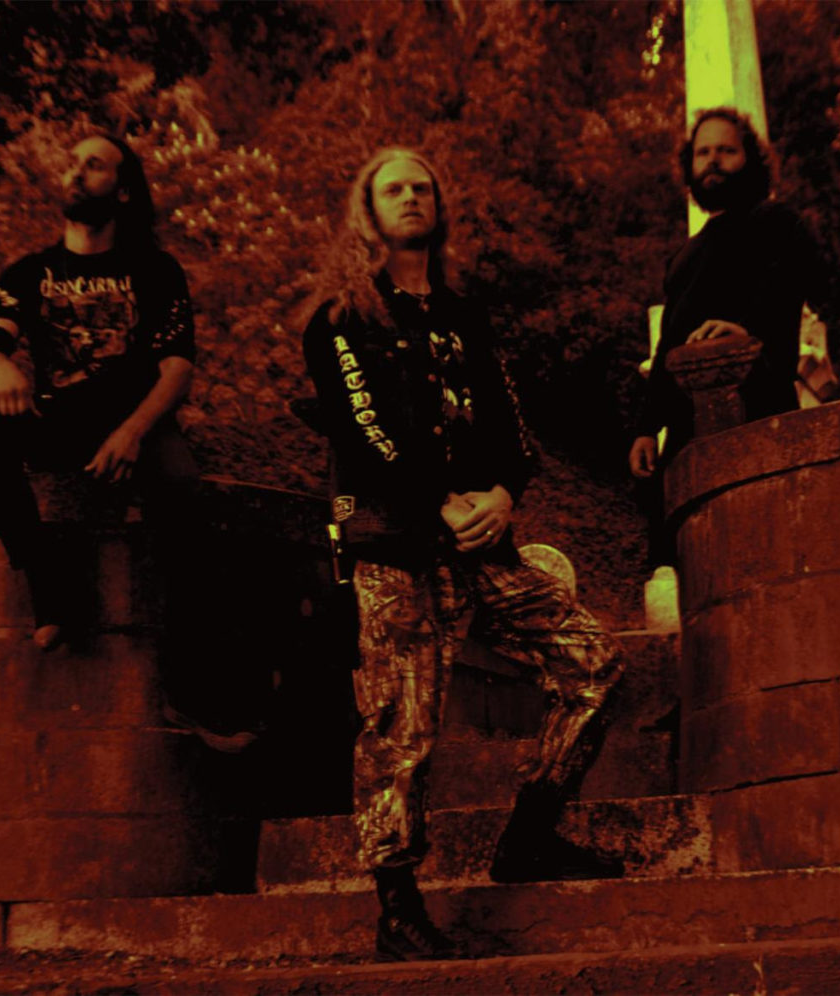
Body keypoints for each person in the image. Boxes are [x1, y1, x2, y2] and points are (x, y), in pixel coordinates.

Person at [302, 147, 626, 962]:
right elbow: (362, 428)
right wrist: (439, 502)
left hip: (483, 545)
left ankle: (530, 835)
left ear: (438, 207)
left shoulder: (465, 316)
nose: (411, 197)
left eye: (422, 187)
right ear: (368, 211)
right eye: (394, 189)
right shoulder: (340, 320)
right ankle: (397, 908)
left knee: (594, 664)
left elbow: (511, 429)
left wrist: (504, 495)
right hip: (395, 545)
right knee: (398, 729)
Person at [0, 133, 254, 749]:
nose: (76, 172)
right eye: (73, 163)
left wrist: (133, 432)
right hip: (60, 421)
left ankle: (198, 692)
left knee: (185, 499)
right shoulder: (28, 272)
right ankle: (47, 582)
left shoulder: (155, 270)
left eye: (93, 165)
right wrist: (0, 367)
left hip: (134, 420)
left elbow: (177, 369)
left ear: (122, 189)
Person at [629, 107, 824, 562]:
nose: (712, 161)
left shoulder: (779, 224)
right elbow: (668, 346)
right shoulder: (685, 257)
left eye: (726, 151)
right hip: (687, 441)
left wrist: (747, 333)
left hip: (758, 419)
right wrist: (646, 428)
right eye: (702, 153)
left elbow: (786, 300)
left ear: (750, 159)